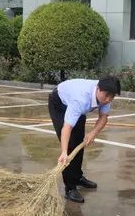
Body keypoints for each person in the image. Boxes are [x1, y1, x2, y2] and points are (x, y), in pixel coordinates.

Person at [48, 75, 121, 203]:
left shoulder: (105, 97)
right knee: (70, 145)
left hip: (77, 106)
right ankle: (70, 188)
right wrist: (64, 152)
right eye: (106, 95)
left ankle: (77, 177)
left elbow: (103, 117)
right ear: (98, 89)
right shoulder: (80, 99)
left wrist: (93, 133)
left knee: (80, 142)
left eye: (112, 96)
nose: (108, 99)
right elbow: (67, 128)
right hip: (59, 103)